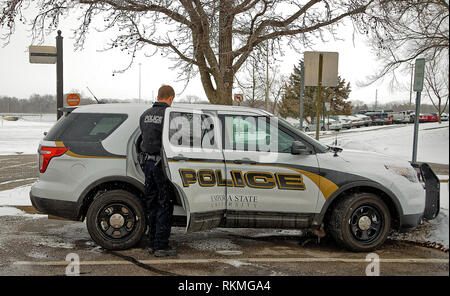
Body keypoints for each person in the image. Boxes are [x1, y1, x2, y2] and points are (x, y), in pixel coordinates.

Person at [139, 85, 176, 257]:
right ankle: (161, 246)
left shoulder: (145, 115)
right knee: (165, 203)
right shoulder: (169, 116)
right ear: (170, 98)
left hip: (148, 164)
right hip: (162, 166)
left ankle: (152, 241)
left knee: (151, 203)